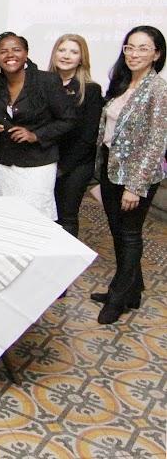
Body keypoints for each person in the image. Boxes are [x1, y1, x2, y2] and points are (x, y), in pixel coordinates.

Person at [91, 26, 166, 324]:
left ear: (156, 54)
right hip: (111, 166)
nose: (134, 54)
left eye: (143, 48)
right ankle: (132, 289)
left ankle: (118, 297)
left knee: (130, 235)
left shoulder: (158, 89)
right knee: (118, 232)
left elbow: (157, 141)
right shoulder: (122, 82)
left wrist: (135, 186)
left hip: (137, 173)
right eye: (129, 47)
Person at [0, 32, 76, 220]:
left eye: (16, 50)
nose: (10, 55)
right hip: (2, 162)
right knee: (1, 216)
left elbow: (68, 120)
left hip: (37, 164)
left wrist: (36, 135)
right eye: (3, 51)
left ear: (26, 54)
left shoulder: (47, 81)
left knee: (33, 218)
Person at [48, 34, 103, 238]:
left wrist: (62, 168)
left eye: (73, 52)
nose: (66, 56)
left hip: (75, 164)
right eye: (62, 50)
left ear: (82, 58)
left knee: (66, 216)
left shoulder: (91, 89)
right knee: (45, 213)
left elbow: (88, 137)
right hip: (46, 161)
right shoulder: (43, 83)